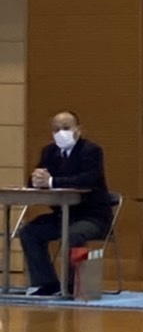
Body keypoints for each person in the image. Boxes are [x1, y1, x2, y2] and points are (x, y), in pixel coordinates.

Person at [19, 109, 112, 297]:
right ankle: (46, 283)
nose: (61, 132)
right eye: (56, 129)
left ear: (78, 129)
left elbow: (87, 179)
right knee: (29, 232)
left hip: (92, 217)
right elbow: (37, 178)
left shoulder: (91, 151)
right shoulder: (49, 152)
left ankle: (71, 286)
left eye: (66, 128)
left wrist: (52, 181)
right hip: (62, 215)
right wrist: (36, 179)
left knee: (73, 234)